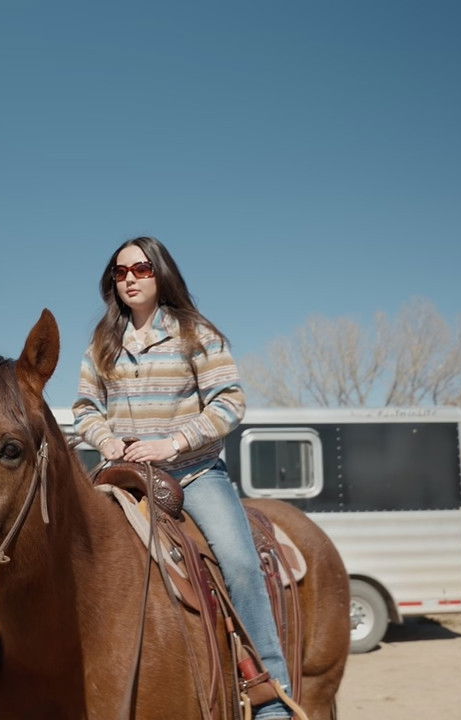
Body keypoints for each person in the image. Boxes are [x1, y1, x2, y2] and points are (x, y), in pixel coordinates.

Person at [72, 237, 293, 720]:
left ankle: (270, 693)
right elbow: (85, 409)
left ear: (161, 274)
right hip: (122, 478)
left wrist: (172, 443)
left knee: (237, 562)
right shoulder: (102, 344)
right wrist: (106, 441)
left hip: (192, 476)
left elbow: (230, 402)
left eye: (141, 269)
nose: (129, 278)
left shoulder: (195, 333)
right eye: (119, 271)